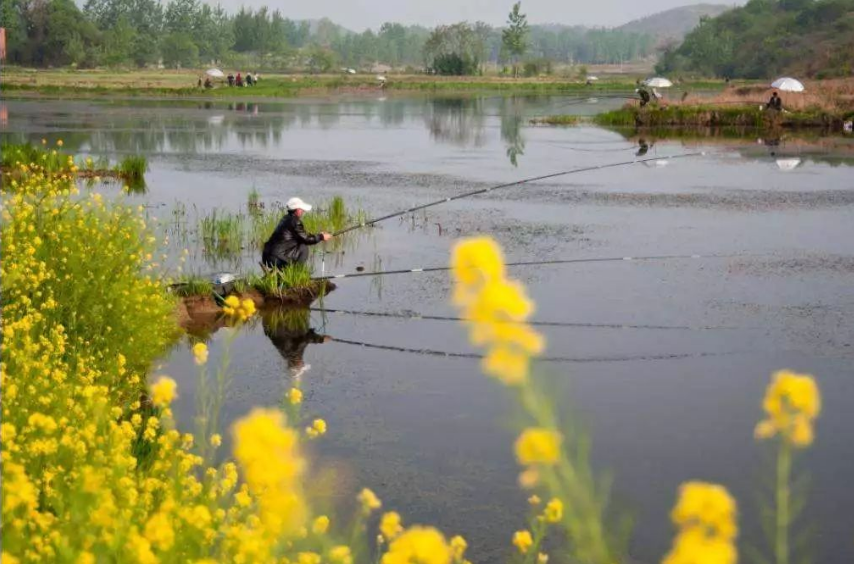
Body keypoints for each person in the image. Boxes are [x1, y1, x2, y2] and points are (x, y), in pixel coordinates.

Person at [262, 197, 332, 269]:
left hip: (267, 257)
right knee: (303, 248)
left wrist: (319, 235)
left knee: (301, 244)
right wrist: (321, 237)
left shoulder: (285, 218)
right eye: (301, 209)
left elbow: (302, 236)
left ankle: (290, 273)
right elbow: (306, 240)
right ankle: (297, 273)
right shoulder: (295, 222)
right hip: (277, 260)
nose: (303, 211)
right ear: (297, 210)